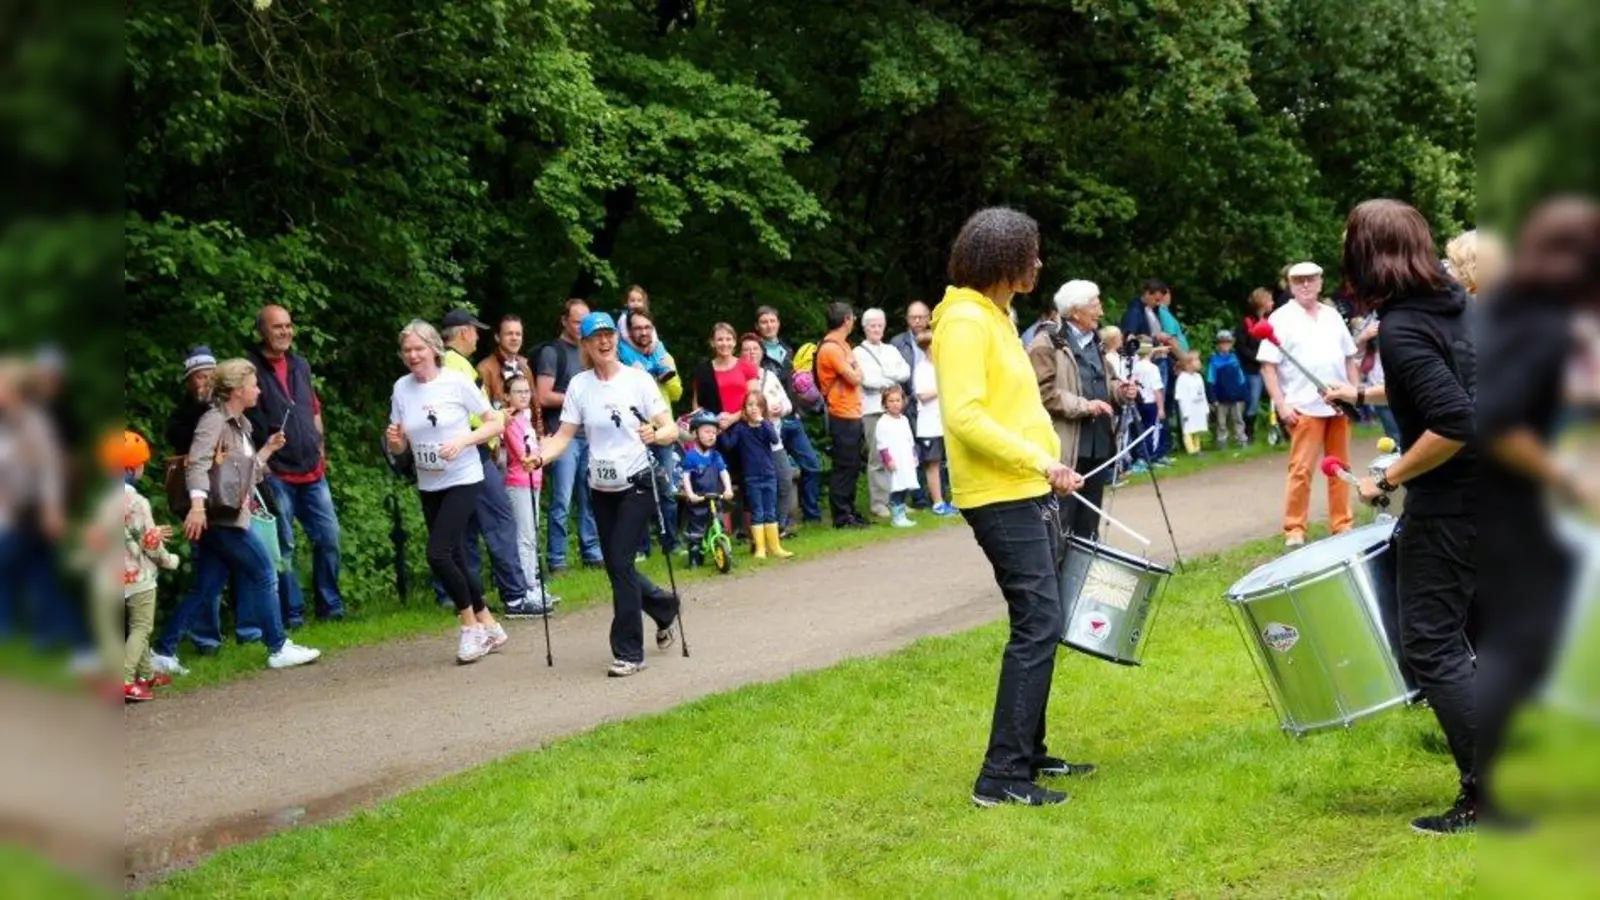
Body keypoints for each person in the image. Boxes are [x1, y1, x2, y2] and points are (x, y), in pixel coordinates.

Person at [1325, 199, 1478, 834]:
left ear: (1368, 255)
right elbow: (1449, 384)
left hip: (1455, 503)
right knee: (1485, 637)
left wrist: (1386, 476)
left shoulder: (1404, 326)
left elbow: (1455, 420)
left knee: (1432, 643)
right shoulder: (1460, 303)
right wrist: (1363, 393)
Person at [930, 206, 1090, 809]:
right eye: (1031, 252)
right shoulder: (964, 324)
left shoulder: (997, 315)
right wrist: (1040, 461)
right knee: (1038, 622)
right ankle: (1000, 778)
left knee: (1044, 620)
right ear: (1004, 260)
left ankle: (1030, 750)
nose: (1038, 262)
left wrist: (1044, 467)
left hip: (1027, 486)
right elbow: (964, 417)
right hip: (999, 494)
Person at [530, 312, 683, 678]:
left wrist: (655, 435)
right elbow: (564, 435)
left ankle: (629, 652)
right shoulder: (581, 386)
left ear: (617, 338)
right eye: (595, 336)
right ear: (584, 344)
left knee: (617, 562)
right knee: (620, 567)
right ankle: (663, 607)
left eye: (609, 335)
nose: (604, 341)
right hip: (602, 488)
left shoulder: (638, 380)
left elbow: (671, 429)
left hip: (638, 483)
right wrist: (540, 456)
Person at [158, 359, 321, 672]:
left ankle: (163, 652)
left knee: (205, 588)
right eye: (254, 384)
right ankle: (277, 647)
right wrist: (196, 505)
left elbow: (244, 475)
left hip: (226, 516)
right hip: (220, 519)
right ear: (235, 390)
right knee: (263, 573)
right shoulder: (213, 421)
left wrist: (268, 450)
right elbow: (198, 464)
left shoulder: (241, 425)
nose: (259, 390)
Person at [386, 320, 511, 664]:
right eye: (407, 350)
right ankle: (489, 623)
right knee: (453, 555)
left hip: (464, 476)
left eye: (418, 349)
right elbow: (400, 443)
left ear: (433, 349)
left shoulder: (456, 382)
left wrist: (463, 440)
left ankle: (470, 628)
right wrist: (396, 444)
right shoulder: (402, 388)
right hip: (429, 481)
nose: (412, 356)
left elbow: (495, 421)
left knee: (438, 554)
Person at [440, 308, 545, 618]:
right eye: (474, 331)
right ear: (462, 333)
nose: (477, 336)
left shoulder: (445, 364)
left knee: (467, 529)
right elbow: (476, 414)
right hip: (475, 451)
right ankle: (515, 596)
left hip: (458, 454)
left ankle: (470, 597)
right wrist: (500, 419)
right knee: (500, 520)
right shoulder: (459, 366)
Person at [246, 304, 347, 626]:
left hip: (312, 470)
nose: (285, 332)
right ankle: (292, 614)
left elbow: (313, 409)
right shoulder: (250, 369)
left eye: (289, 326)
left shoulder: (300, 365)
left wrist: (321, 448)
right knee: (284, 546)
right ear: (262, 331)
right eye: (278, 327)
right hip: (276, 472)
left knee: (329, 538)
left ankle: (331, 607)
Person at [1257, 261, 1359, 546]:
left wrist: (1353, 392)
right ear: (1290, 285)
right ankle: (1294, 529)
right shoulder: (1280, 318)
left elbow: (1350, 357)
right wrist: (1281, 404)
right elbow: (1268, 366)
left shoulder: (1332, 316)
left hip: (1338, 404)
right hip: (1302, 404)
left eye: (1310, 279)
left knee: (1341, 467)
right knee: (1301, 469)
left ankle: (1342, 524)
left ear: (1320, 282)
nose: (1305, 285)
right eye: (1299, 280)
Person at [1027, 279, 1131, 541]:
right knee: (1060, 530)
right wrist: (1086, 406)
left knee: (1088, 530)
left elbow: (1106, 382)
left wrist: (1121, 391)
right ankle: (1057, 582)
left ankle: (1083, 581)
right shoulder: (1045, 343)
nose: (1102, 312)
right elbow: (1043, 393)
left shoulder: (1096, 342)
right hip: (1064, 452)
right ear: (1075, 311)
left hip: (1097, 448)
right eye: (1095, 306)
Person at [102, 430, 180, 701]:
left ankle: (145, 674)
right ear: (131, 468)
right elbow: (149, 543)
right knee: (141, 627)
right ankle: (122, 680)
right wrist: (169, 559)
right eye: (142, 464)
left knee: (136, 625)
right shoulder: (137, 502)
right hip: (137, 576)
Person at [536, 299, 604, 573]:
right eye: (577, 321)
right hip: (563, 437)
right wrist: (579, 400)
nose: (581, 327)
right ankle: (557, 559)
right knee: (561, 500)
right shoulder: (553, 352)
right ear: (564, 321)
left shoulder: (589, 352)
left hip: (589, 436)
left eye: (585, 321)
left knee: (590, 496)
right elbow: (543, 395)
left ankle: (592, 551)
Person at [755, 306, 825, 525]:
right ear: (758, 326)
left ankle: (811, 514)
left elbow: (795, 386)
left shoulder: (788, 350)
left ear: (778, 323)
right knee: (777, 473)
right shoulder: (755, 352)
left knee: (812, 464)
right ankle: (779, 520)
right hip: (769, 423)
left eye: (772, 321)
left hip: (792, 418)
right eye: (764, 322)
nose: (769, 325)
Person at [623, 308, 683, 558]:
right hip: (635, 432)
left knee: (667, 488)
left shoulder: (663, 354)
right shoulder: (623, 359)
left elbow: (677, 392)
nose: (643, 332)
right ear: (629, 331)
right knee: (638, 492)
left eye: (647, 327)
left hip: (663, 429)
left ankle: (672, 543)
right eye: (638, 328)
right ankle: (641, 547)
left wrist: (663, 375)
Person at [501, 374, 556, 613]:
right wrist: (545, 446)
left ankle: (532, 583)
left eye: (526, 391)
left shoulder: (526, 417)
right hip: (519, 481)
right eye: (518, 392)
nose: (524, 395)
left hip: (534, 479)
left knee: (532, 534)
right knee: (525, 536)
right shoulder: (511, 420)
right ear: (506, 396)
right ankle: (526, 587)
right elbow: (522, 454)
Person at [717, 390, 793, 559]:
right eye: (749, 405)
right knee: (757, 512)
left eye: (757, 405)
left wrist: (764, 422)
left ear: (763, 408)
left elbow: (774, 439)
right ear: (744, 408)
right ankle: (760, 548)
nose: (753, 409)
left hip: (769, 475)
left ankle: (775, 546)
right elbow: (729, 445)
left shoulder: (766, 425)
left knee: (770, 511)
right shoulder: (740, 429)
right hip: (751, 477)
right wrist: (721, 432)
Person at [854, 309, 912, 519]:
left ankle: (897, 501)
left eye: (879, 325)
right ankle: (879, 503)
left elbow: (905, 371)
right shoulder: (858, 353)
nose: (876, 329)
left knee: (898, 455)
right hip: (872, 410)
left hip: (894, 411)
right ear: (865, 327)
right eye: (872, 325)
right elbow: (867, 381)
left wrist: (886, 378)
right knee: (878, 457)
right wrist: (891, 380)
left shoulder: (891, 350)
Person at [816, 302, 869, 528]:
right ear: (847, 319)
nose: (854, 321)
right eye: (852, 318)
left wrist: (855, 369)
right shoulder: (831, 348)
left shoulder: (843, 346)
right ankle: (841, 515)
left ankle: (850, 510)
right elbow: (856, 377)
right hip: (840, 413)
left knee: (853, 465)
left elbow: (858, 373)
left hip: (852, 412)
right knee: (844, 466)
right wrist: (855, 369)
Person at [739, 332, 797, 536]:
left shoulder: (770, 376)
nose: (751, 353)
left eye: (755, 349)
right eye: (746, 350)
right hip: (753, 444)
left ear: (762, 352)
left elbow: (788, 404)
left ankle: (780, 525)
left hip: (774, 439)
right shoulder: (738, 376)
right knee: (756, 488)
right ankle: (756, 531)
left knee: (785, 479)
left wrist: (780, 409)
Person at [679, 411, 734, 569]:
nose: (711, 436)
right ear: (695, 433)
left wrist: (728, 489)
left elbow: (724, 473)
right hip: (699, 499)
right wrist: (690, 494)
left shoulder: (716, 456)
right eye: (707, 432)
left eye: (714, 432)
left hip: (715, 497)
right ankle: (695, 558)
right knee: (696, 530)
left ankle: (721, 550)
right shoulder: (691, 457)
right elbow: (686, 477)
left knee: (718, 523)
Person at [910, 329, 954, 516]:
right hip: (930, 424)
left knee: (950, 461)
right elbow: (922, 395)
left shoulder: (944, 367)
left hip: (946, 421)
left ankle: (954, 499)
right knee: (933, 463)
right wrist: (943, 387)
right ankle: (937, 502)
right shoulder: (921, 369)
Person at [873, 385, 920, 528]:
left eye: (897, 400)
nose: (894, 404)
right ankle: (897, 516)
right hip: (894, 461)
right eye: (891, 401)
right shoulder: (883, 422)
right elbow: (882, 444)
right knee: (897, 488)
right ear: (885, 403)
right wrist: (888, 460)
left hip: (906, 459)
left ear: (903, 402)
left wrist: (914, 455)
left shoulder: (904, 420)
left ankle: (902, 514)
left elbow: (909, 439)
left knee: (905, 486)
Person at [1238, 289, 1274, 442]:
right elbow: (1241, 346)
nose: (1272, 303)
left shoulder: (1271, 320)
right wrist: (1257, 358)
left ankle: (1281, 429)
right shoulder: (1247, 321)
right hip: (1253, 368)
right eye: (1269, 300)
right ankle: (1248, 433)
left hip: (1270, 366)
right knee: (1253, 400)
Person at [1205, 331, 1249, 449]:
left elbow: (1241, 378)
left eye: (1227, 343)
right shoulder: (1213, 360)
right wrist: (1212, 398)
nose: (1225, 346)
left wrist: (1244, 394)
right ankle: (1221, 441)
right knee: (1221, 422)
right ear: (1218, 345)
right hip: (1221, 398)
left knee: (1238, 419)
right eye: (1222, 343)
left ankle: (1241, 439)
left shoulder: (1234, 359)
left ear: (1231, 344)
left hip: (1236, 397)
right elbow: (1210, 380)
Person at [477, 314, 531, 408]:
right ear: (497, 337)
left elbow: (535, 407)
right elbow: (483, 410)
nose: (514, 338)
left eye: (518, 334)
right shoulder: (485, 369)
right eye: (509, 334)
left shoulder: (525, 365)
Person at [1128, 343, 1167, 472]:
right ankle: (1148, 458)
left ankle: (1140, 457)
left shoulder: (1136, 367)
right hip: (1150, 402)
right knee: (1151, 431)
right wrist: (1161, 408)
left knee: (1140, 430)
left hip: (1138, 402)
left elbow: (1132, 382)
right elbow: (1157, 389)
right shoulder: (1153, 368)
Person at [1174, 351, 1209, 455]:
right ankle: (1191, 450)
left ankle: (1198, 448)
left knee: (1198, 427)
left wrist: (1205, 407)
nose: (1199, 363)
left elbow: (1202, 393)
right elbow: (1180, 396)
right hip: (1189, 408)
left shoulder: (1198, 377)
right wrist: (1185, 411)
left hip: (1198, 407)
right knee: (1188, 429)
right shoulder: (1182, 378)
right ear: (1188, 364)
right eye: (1196, 360)